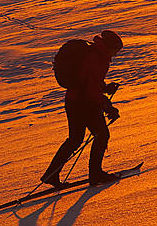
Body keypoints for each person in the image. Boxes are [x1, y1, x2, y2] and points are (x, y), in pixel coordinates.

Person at [42, 30, 124, 187]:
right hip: (85, 105)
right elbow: (91, 88)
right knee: (101, 135)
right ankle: (96, 174)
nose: (115, 55)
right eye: (115, 51)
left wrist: (105, 89)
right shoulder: (98, 60)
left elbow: (87, 81)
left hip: (73, 101)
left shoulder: (92, 52)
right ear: (109, 47)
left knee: (75, 139)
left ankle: (51, 175)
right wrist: (107, 106)